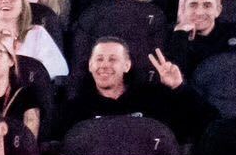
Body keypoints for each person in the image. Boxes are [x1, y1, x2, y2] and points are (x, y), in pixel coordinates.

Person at [54, 38, 203, 140]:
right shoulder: (75, 109)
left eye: (113, 59)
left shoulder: (152, 99)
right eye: (99, 59)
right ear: (90, 65)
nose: (105, 65)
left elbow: (202, 123)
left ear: (127, 65)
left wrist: (179, 88)